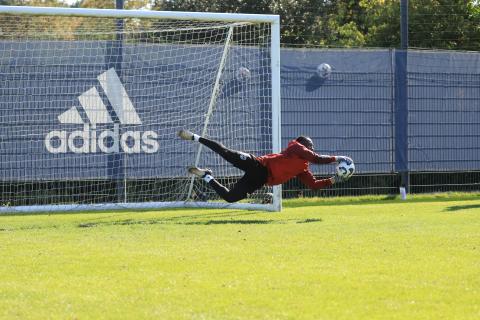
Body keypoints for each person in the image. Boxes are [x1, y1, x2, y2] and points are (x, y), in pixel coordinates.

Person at [178, 129, 353, 203]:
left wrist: (334, 179)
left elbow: (313, 185)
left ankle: (207, 175)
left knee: (231, 198)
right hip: (258, 165)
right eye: (310, 146)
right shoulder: (295, 146)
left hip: (261, 179)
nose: (312, 149)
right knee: (225, 153)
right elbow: (317, 158)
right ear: (303, 144)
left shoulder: (303, 167)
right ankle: (195, 137)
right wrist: (339, 157)